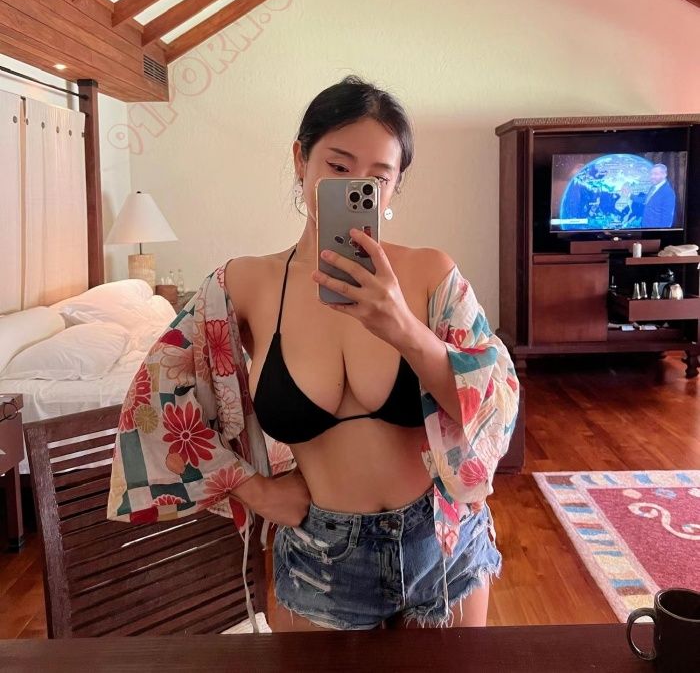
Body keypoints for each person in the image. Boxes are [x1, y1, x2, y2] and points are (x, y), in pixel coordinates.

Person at [106, 76, 519, 632]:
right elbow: (153, 403)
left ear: (395, 187)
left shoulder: (430, 274)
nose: (355, 187)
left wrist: (403, 328)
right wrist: (255, 491)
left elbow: (495, 403)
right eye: (338, 166)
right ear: (301, 160)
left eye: (378, 177)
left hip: (441, 547)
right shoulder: (244, 285)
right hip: (321, 560)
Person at [641, 163, 676, 228]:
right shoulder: (653, 187)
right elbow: (646, 200)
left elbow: (667, 219)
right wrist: (629, 195)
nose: (652, 177)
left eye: (656, 174)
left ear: (664, 175)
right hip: (645, 228)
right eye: (651, 174)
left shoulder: (668, 193)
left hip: (654, 231)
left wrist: (660, 232)